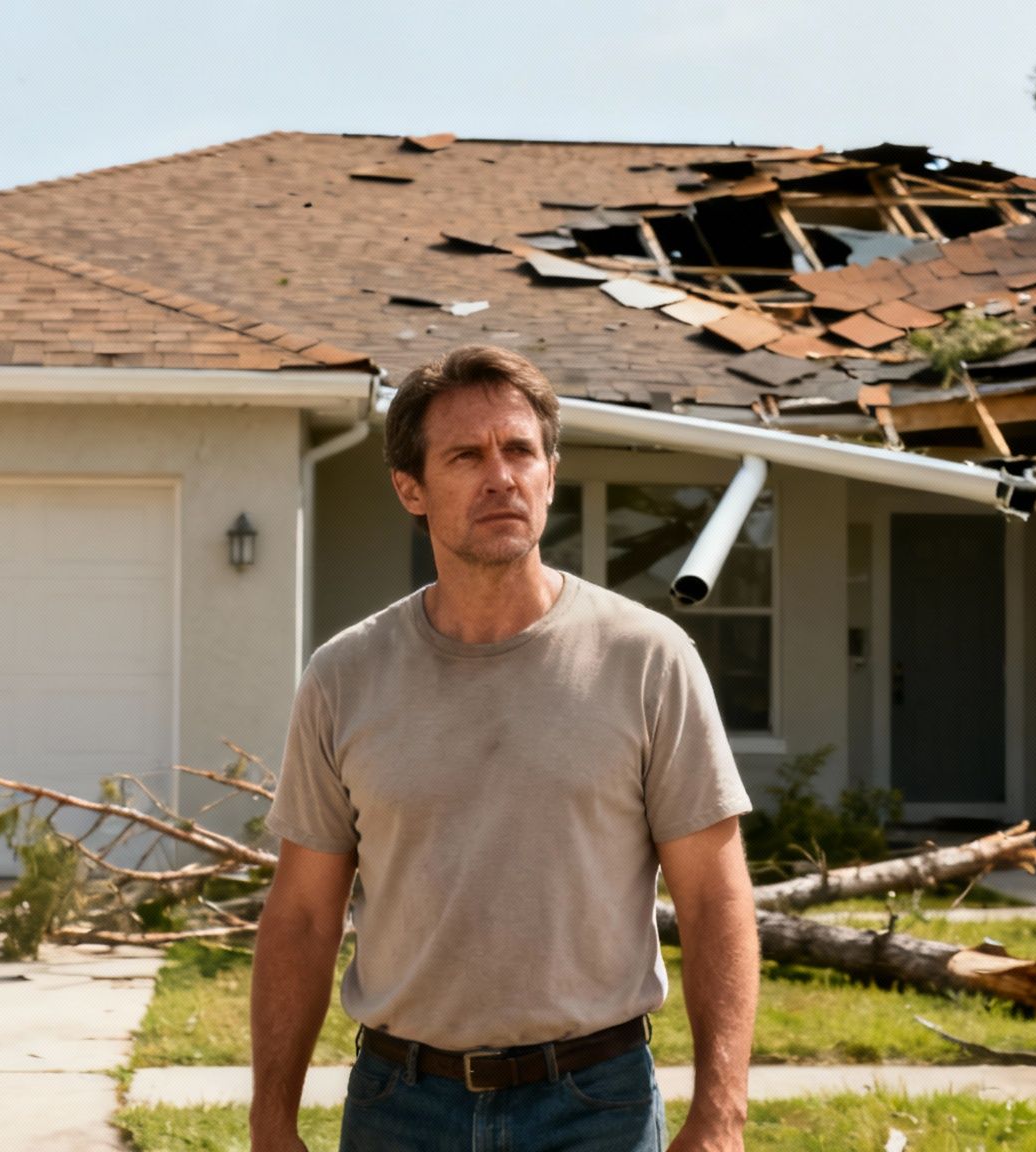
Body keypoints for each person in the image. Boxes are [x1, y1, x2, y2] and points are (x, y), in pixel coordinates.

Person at [249, 345, 760, 1151]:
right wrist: (271, 1117)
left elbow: (715, 899)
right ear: (410, 488)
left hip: (595, 1105)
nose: (502, 476)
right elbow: (304, 916)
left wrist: (721, 1109)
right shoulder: (345, 674)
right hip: (399, 1106)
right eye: (466, 455)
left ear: (550, 474)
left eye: (520, 449)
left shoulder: (646, 659)